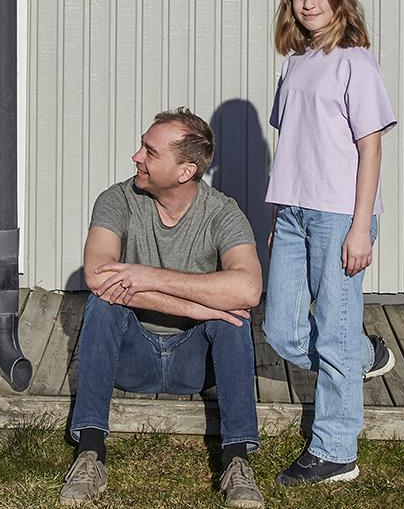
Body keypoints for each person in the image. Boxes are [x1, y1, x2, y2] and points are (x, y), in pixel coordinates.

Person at [61, 109, 265, 509]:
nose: (137, 157)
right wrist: (200, 306)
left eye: (150, 152)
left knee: (235, 318)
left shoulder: (222, 212)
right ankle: (90, 452)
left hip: (195, 363)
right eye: (142, 146)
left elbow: (249, 287)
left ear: (185, 171)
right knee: (102, 307)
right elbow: (99, 277)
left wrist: (149, 277)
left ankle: (236, 460)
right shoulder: (117, 199)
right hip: (131, 358)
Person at [262, 0, 398, 487]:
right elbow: (291, 146)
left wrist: (360, 226)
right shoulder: (294, 63)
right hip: (293, 212)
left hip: (340, 213)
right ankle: (367, 353)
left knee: (333, 341)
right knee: (280, 328)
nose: (308, 3)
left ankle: (336, 450)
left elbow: (371, 149)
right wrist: (279, 214)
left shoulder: (355, 62)